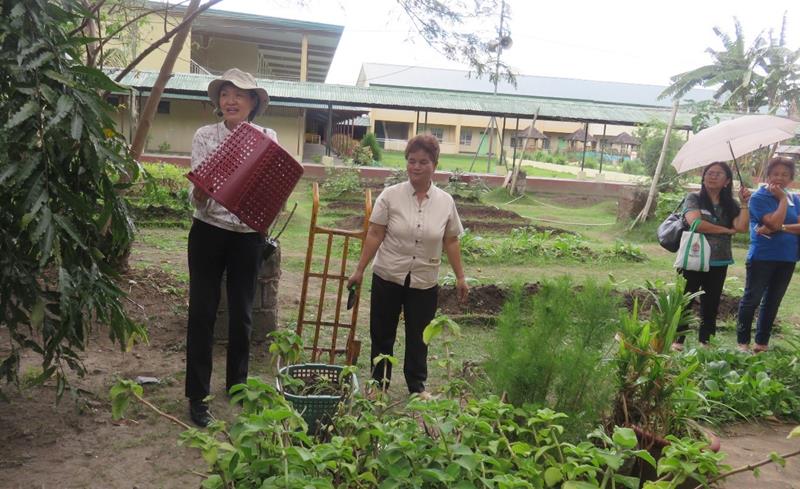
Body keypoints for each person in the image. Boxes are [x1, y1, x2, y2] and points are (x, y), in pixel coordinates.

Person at [185, 68, 275, 427]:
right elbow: (201, 193)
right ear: (218, 102)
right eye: (225, 94)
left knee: (242, 314)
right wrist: (207, 184)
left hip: (248, 236)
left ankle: (237, 386)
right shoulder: (205, 135)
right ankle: (197, 396)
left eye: (240, 94)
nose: (231, 100)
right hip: (208, 231)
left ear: (253, 102)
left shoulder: (268, 136)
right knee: (202, 314)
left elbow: (268, 189)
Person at [347, 134, 469, 398]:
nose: (416, 167)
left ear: (434, 165)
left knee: (419, 336)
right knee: (382, 333)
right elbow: (375, 234)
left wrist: (460, 277)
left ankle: (417, 387)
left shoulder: (445, 202)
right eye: (411, 161)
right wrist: (359, 270)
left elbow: (451, 240)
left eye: (423, 162)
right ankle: (379, 386)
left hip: (424, 279)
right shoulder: (390, 196)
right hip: (388, 274)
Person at [671, 162, 751, 350]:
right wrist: (725, 230)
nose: (712, 176)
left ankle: (706, 342)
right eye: (709, 172)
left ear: (727, 181)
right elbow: (696, 223)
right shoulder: (694, 198)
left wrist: (745, 203)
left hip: (719, 260)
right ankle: (677, 341)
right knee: (686, 299)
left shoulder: (730, 204)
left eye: (718, 174)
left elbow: (741, 228)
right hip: (693, 258)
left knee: (712, 302)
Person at [736, 156, 799, 353]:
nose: (780, 178)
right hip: (762, 257)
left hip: (787, 258)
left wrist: (781, 227)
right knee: (752, 299)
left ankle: (761, 343)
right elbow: (771, 222)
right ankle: (742, 342)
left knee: (773, 302)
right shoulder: (759, 197)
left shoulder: (795, 198)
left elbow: (782, 226)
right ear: (768, 175)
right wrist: (780, 200)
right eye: (776, 174)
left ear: (791, 178)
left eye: (785, 175)